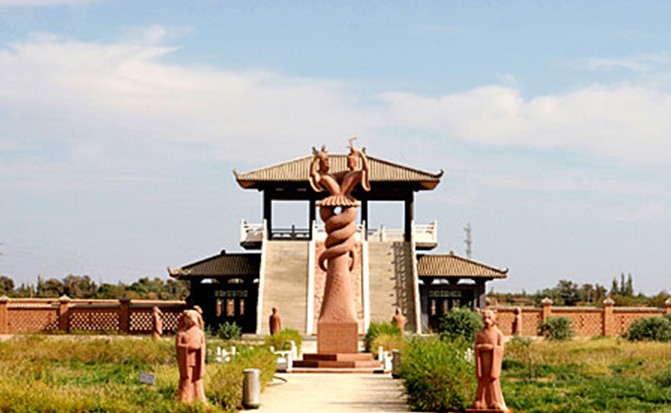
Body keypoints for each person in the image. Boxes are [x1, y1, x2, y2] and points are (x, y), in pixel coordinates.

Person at [471, 309, 509, 412]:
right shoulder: (480, 334)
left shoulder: (498, 334)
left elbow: (501, 348)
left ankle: (495, 401)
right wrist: (479, 348)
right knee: (482, 381)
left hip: (493, 363)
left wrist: (493, 348)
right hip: (482, 362)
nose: (486, 320)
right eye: (485, 318)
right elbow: (475, 346)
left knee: (493, 382)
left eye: (489, 318)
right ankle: (481, 401)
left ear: (494, 319)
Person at [176, 309, 207, 405]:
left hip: (197, 359)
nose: (188, 321)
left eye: (190, 319)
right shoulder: (181, 333)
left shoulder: (200, 333)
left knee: (197, 380)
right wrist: (188, 347)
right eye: (186, 319)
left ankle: (198, 398)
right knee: (186, 380)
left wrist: (199, 347)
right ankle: (185, 398)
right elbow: (178, 346)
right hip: (186, 360)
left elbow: (203, 345)